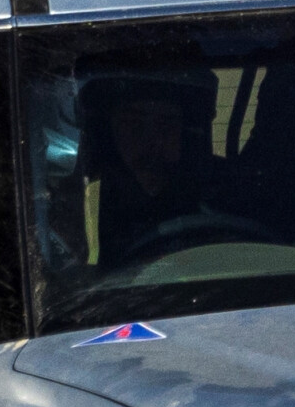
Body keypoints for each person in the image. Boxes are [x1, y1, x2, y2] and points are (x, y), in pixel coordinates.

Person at [75, 68, 218, 267]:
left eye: (166, 124)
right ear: (109, 134)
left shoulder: (222, 194)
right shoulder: (79, 205)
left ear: (185, 135)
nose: (153, 140)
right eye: (134, 124)